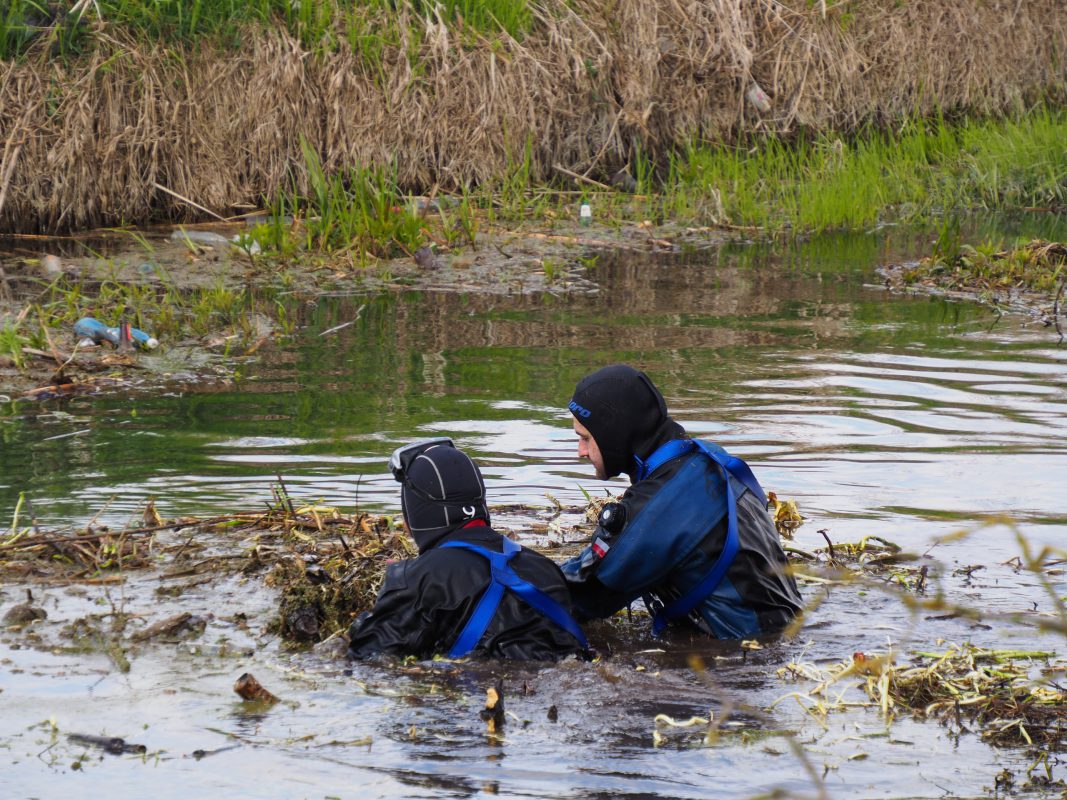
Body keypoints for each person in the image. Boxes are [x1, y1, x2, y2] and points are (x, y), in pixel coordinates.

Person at [562, 364, 802, 639]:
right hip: (788, 626)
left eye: (585, 438)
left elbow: (581, 595)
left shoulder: (663, 504)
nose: (580, 451)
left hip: (749, 650)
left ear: (613, 434)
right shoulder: (707, 459)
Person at [348, 438, 589, 661]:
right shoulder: (546, 569)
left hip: (484, 685)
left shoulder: (419, 577)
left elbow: (369, 657)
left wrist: (394, 591)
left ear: (414, 515)